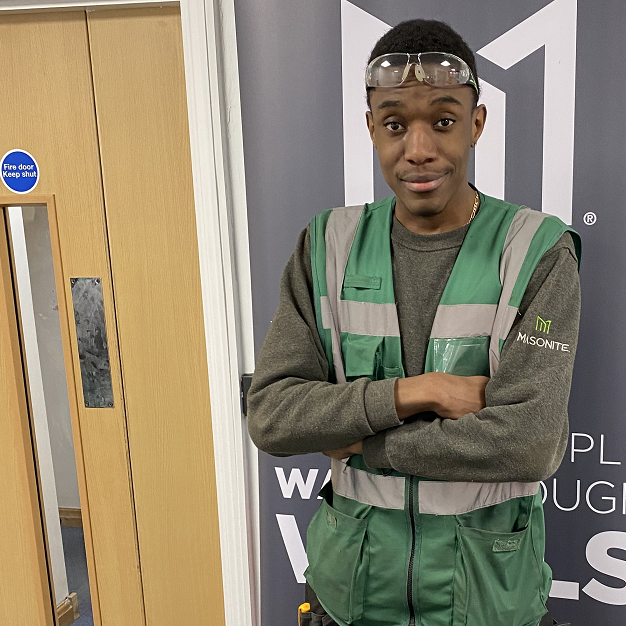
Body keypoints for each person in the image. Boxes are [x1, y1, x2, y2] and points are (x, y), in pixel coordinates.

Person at [248, 18, 580, 626]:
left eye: (444, 121)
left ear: (476, 124)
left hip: (486, 602)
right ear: (371, 126)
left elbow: (529, 442)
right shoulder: (326, 245)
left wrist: (362, 438)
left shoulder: (538, 252)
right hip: (348, 598)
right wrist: (416, 393)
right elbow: (272, 416)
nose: (419, 148)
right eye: (396, 123)